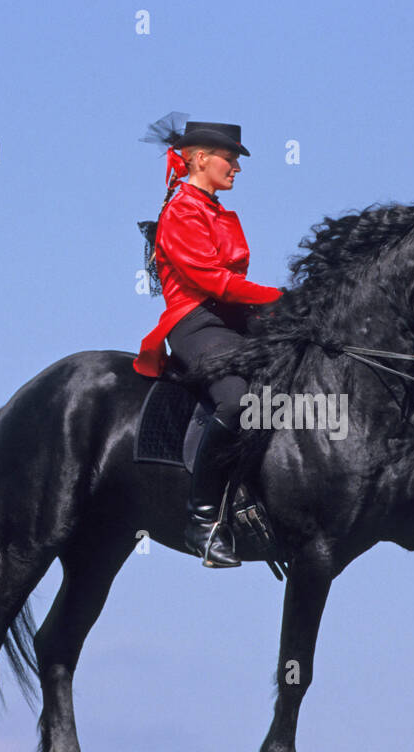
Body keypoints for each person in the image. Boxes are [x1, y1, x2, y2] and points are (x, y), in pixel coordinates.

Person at [134, 117, 283, 568]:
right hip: (195, 322)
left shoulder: (216, 210)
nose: (236, 167)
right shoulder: (181, 210)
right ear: (200, 159)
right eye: (230, 159)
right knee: (237, 402)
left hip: (234, 320)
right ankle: (202, 522)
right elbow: (212, 281)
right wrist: (278, 297)